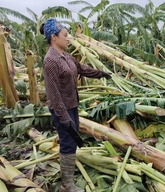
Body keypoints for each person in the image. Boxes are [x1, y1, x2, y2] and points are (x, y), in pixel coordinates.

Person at [40, 18, 111, 192]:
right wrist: (63, 118)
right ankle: (67, 186)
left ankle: (68, 181)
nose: (68, 38)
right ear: (54, 37)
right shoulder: (51, 60)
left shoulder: (66, 56)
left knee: (71, 141)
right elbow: (53, 93)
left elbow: (81, 68)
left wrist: (102, 73)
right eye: (65, 35)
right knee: (68, 142)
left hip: (72, 105)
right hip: (61, 109)